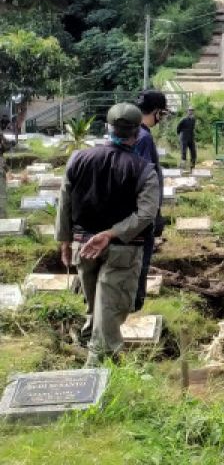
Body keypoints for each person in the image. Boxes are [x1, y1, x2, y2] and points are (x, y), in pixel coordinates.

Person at [55, 103, 159, 366]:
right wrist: (112, 233)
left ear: (107, 128)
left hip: (83, 246)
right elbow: (146, 215)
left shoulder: (78, 158)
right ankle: (97, 374)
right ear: (137, 133)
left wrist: (64, 241)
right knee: (108, 313)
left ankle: (91, 352)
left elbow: (64, 202)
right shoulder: (143, 169)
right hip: (122, 251)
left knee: (96, 310)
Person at [132, 90, 168, 312]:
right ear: (156, 112)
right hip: (142, 213)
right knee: (139, 264)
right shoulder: (144, 137)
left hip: (134, 212)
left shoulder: (133, 132)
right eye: (161, 114)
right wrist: (153, 212)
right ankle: (135, 306)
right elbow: (144, 178)